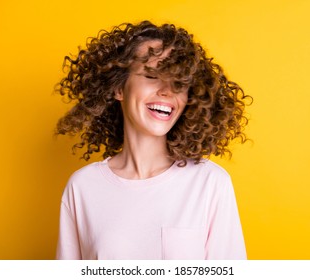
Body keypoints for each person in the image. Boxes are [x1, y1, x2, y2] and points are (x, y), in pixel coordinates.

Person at [55, 20, 251, 260]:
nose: (167, 91)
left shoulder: (209, 183)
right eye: (151, 75)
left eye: (179, 82)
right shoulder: (83, 187)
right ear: (119, 89)